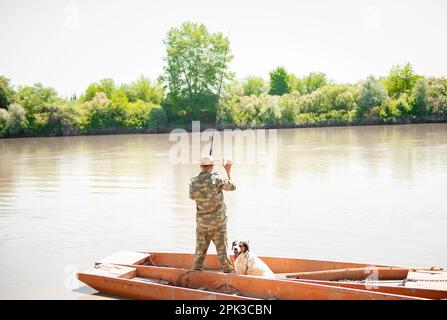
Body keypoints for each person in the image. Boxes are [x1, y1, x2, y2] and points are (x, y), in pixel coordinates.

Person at [189, 155, 236, 273]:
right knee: (223, 251)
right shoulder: (217, 179)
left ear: (201, 166)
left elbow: (191, 196)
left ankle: (196, 272)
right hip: (218, 223)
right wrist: (228, 170)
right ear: (212, 166)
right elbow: (232, 187)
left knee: (200, 251)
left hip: (202, 223)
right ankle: (228, 272)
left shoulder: (193, 182)